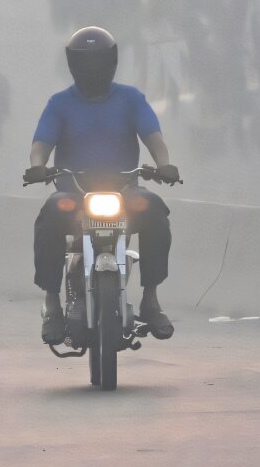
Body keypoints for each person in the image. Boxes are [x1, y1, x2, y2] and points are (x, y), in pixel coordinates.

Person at [23, 27, 181, 344]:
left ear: (111, 62)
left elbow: (154, 138)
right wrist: (38, 166)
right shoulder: (60, 104)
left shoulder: (131, 99)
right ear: (74, 65)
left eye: (98, 62)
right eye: (86, 63)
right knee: (51, 215)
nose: (92, 70)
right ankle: (52, 303)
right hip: (73, 197)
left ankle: (150, 298)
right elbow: (41, 143)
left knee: (153, 209)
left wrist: (164, 164)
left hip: (125, 194)